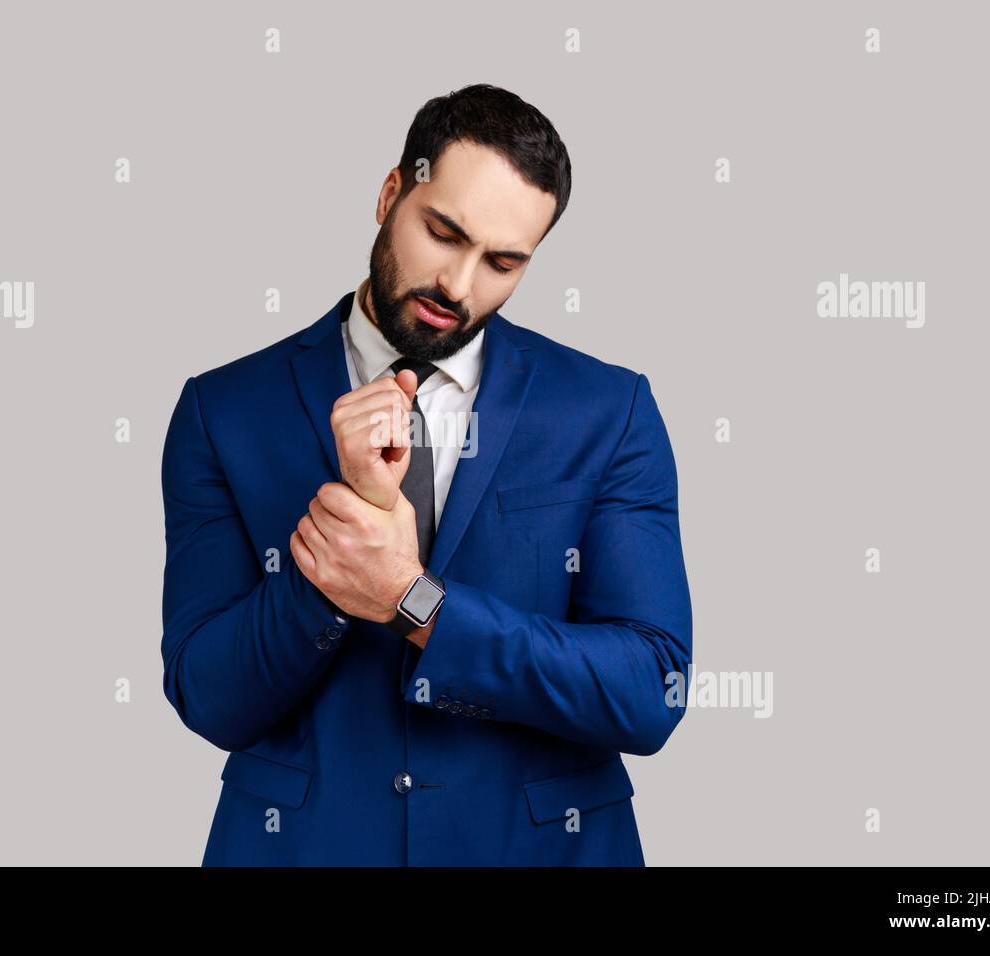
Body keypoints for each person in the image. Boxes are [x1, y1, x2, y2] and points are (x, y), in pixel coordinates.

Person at [160, 83, 692, 866]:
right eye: (444, 233)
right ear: (389, 194)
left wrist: (415, 601)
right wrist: (338, 554)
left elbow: (651, 692)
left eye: (503, 262)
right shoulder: (223, 410)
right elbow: (209, 697)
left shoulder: (607, 411)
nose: (459, 286)